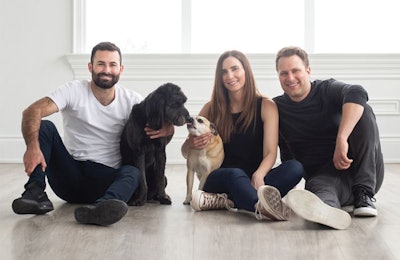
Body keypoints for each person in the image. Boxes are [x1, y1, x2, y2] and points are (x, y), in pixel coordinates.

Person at [12, 42, 174, 226]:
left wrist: (169, 130)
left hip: (105, 178)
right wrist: (32, 147)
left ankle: (102, 208)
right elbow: (32, 111)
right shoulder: (73, 90)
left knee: (133, 172)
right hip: (69, 174)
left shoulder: (133, 101)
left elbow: (161, 126)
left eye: (112, 65)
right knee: (45, 126)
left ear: (121, 69)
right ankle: (35, 193)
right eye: (100, 64)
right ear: (90, 67)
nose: (106, 70)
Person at [183, 50, 304, 221]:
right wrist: (191, 144)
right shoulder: (211, 108)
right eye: (224, 72)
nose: (229, 75)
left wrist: (259, 174)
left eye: (235, 69)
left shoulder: (266, 106)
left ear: (245, 70)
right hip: (220, 177)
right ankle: (259, 206)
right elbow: (186, 152)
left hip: (255, 178)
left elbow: (270, 152)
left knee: (295, 168)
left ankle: (228, 200)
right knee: (235, 175)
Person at [273, 46, 384, 229]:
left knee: (363, 111)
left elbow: (357, 92)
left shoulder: (326, 89)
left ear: (308, 70)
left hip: (362, 170)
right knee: (319, 188)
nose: (290, 78)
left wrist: (342, 139)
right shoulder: (277, 107)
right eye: (283, 73)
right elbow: (285, 151)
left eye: (295, 71)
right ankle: (329, 210)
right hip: (324, 176)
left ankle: (363, 195)